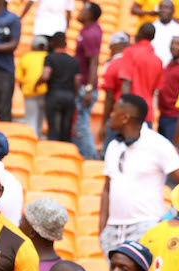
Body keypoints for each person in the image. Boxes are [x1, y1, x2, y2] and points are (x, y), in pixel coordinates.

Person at [100, 94, 179, 256]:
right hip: (113, 231)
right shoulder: (113, 146)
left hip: (145, 227)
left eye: (114, 111)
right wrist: (102, 230)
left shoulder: (158, 144)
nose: (111, 115)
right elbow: (106, 189)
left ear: (125, 117)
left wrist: (170, 216)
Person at [38, 31, 80, 142]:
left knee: (53, 129)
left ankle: (53, 154)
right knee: (66, 130)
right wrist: (74, 94)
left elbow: (46, 75)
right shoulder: (74, 61)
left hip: (54, 95)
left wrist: (37, 83)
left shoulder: (50, 58)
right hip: (69, 96)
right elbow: (77, 81)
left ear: (52, 43)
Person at [74, 2, 102, 159]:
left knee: (82, 125)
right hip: (84, 84)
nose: (80, 11)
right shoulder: (86, 30)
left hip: (86, 86)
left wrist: (89, 88)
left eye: (83, 10)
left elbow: (94, 62)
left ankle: (92, 158)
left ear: (90, 15)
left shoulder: (91, 33)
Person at [118, 24, 162, 125]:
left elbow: (126, 82)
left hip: (130, 111)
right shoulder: (158, 61)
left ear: (139, 34)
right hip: (147, 113)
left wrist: (123, 111)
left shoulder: (130, 52)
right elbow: (155, 92)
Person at [99, 31, 131, 153]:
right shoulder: (134, 61)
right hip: (136, 116)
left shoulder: (112, 64)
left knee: (110, 154)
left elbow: (109, 97)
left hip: (117, 113)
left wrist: (103, 123)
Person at [156, 35, 179, 142]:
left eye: (178, 44)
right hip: (164, 113)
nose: (174, 47)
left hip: (175, 116)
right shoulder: (170, 63)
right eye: (172, 43)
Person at [17, 36, 48, 137]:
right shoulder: (48, 56)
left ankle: (31, 141)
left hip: (30, 92)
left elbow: (19, 78)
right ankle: (37, 139)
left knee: (31, 119)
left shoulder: (26, 57)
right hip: (45, 92)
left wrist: (24, 89)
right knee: (40, 119)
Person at [151, 0, 179, 65]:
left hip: (174, 70)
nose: (164, 10)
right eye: (162, 8)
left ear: (173, 11)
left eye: (167, 8)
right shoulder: (150, 29)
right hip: (153, 69)